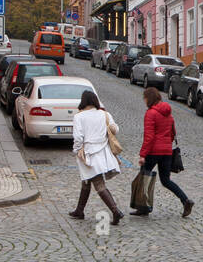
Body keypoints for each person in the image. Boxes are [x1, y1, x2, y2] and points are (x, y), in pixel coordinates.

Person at [134, 87, 194, 217]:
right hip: (166, 152)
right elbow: (173, 134)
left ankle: (143, 207)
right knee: (166, 180)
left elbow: (149, 137)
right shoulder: (169, 114)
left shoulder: (150, 114)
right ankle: (185, 200)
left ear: (148, 99)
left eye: (144, 98)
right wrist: (166, 145)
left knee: (144, 178)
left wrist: (143, 155)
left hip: (153, 152)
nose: (144, 101)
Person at [69, 90, 124, 225]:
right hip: (104, 153)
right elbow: (115, 129)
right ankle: (79, 210)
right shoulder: (104, 114)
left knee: (98, 184)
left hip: (89, 155)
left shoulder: (79, 117)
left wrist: (77, 151)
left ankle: (116, 211)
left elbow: (78, 137)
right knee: (86, 181)